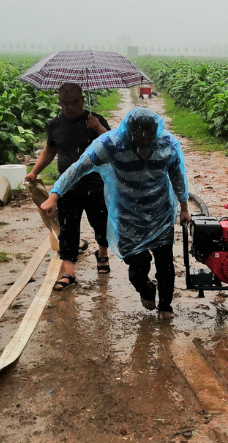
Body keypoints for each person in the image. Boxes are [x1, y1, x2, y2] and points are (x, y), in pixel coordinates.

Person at [40, 108, 191, 319]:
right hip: (128, 215)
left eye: (149, 137)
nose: (145, 141)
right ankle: (145, 288)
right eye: (139, 137)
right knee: (138, 263)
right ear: (129, 132)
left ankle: (165, 307)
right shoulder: (111, 144)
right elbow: (79, 167)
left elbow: (177, 174)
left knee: (164, 261)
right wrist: (55, 194)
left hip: (160, 212)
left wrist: (184, 207)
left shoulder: (167, 144)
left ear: (156, 133)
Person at [25, 82, 111, 291]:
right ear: (60, 102)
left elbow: (113, 146)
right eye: (65, 102)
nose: (69, 107)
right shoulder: (55, 125)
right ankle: (69, 272)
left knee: (100, 224)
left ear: (82, 100)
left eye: (74, 102)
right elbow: (50, 150)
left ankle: (102, 254)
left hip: (95, 185)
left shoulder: (95, 120)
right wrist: (35, 171)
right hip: (67, 188)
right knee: (68, 229)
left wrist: (98, 128)